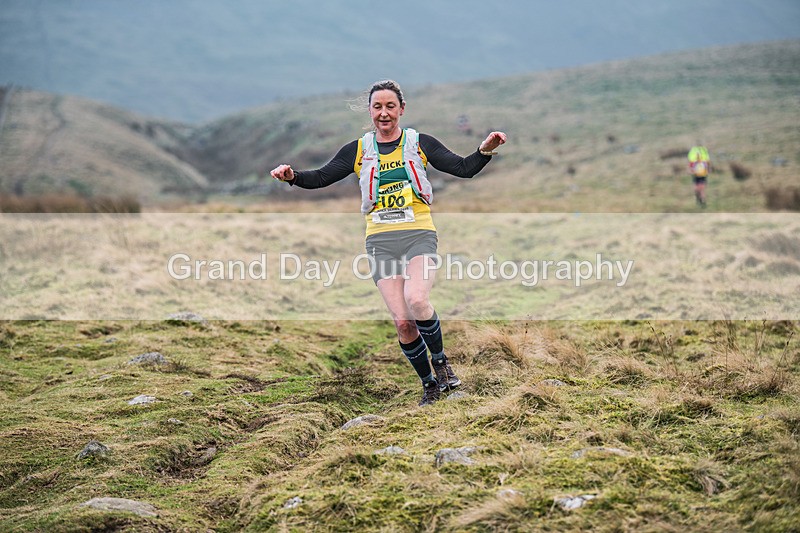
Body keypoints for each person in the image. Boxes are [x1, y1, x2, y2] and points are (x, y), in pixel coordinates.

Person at [270, 79, 506, 406]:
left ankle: (442, 366)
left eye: (390, 106)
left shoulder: (419, 143)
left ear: (401, 110)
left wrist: (485, 151)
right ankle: (429, 385)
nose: (384, 113)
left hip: (418, 234)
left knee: (418, 300)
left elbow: (463, 168)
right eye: (377, 107)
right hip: (380, 242)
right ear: (370, 111)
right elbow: (322, 177)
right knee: (404, 323)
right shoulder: (357, 150)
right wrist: (292, 177)